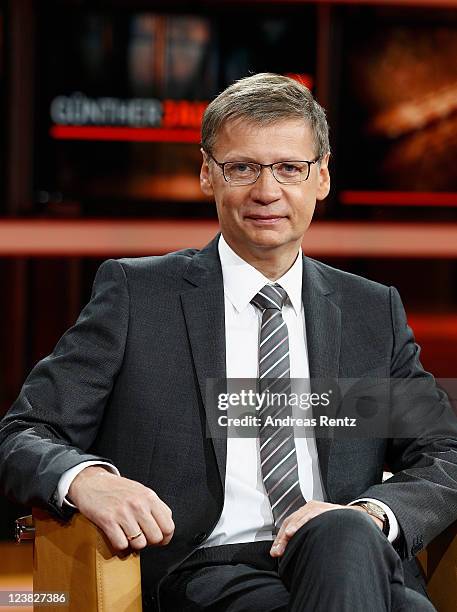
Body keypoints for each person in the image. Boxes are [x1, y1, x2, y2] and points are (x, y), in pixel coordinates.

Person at [1, 73, 457, 612]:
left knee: (344, 535)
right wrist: (86, 479)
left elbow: (444, 451)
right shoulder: (139, 296)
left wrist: (371, 515)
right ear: (206, 175)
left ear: (322, 178)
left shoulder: (368, 311)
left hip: (358, 559)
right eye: (241, 168)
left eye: (290, 168)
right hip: (210, 573)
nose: (267, 191)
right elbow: (25, 432)